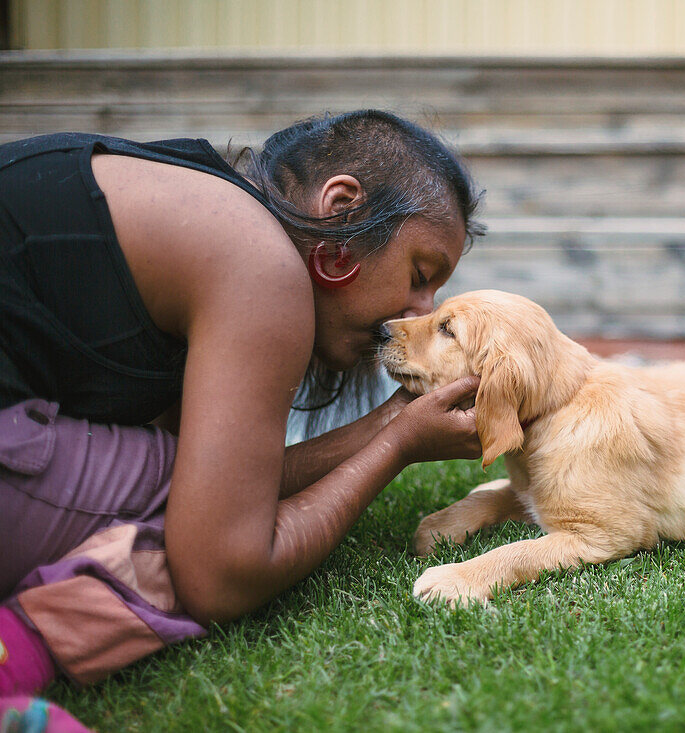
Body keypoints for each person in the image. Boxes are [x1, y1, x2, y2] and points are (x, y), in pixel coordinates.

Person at [0, 110, 486, 703]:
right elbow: (221, 570)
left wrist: (391, 422)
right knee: (190, 532)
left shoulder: (207, 205)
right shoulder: (257, 260)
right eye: (418, 273)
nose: (417, 311)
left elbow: (213, 483)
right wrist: (398, 444)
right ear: (342, 209)